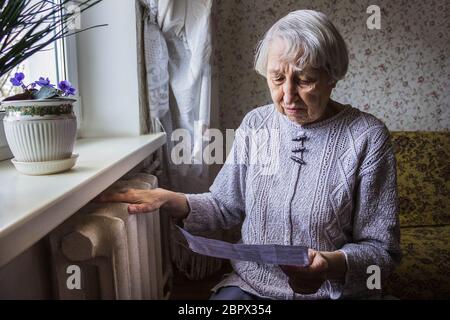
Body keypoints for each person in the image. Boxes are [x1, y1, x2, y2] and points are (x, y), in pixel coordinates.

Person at [97, 10, 401, 300]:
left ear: (333, 76)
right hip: (254, 287)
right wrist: (170, 199)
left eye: (304, 79)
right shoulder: (257, 124)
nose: (288, 95)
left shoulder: (367, 137)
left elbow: (382, 251)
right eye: (277, 78)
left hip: (335, 292)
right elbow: (225, 205)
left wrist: (331, 263)